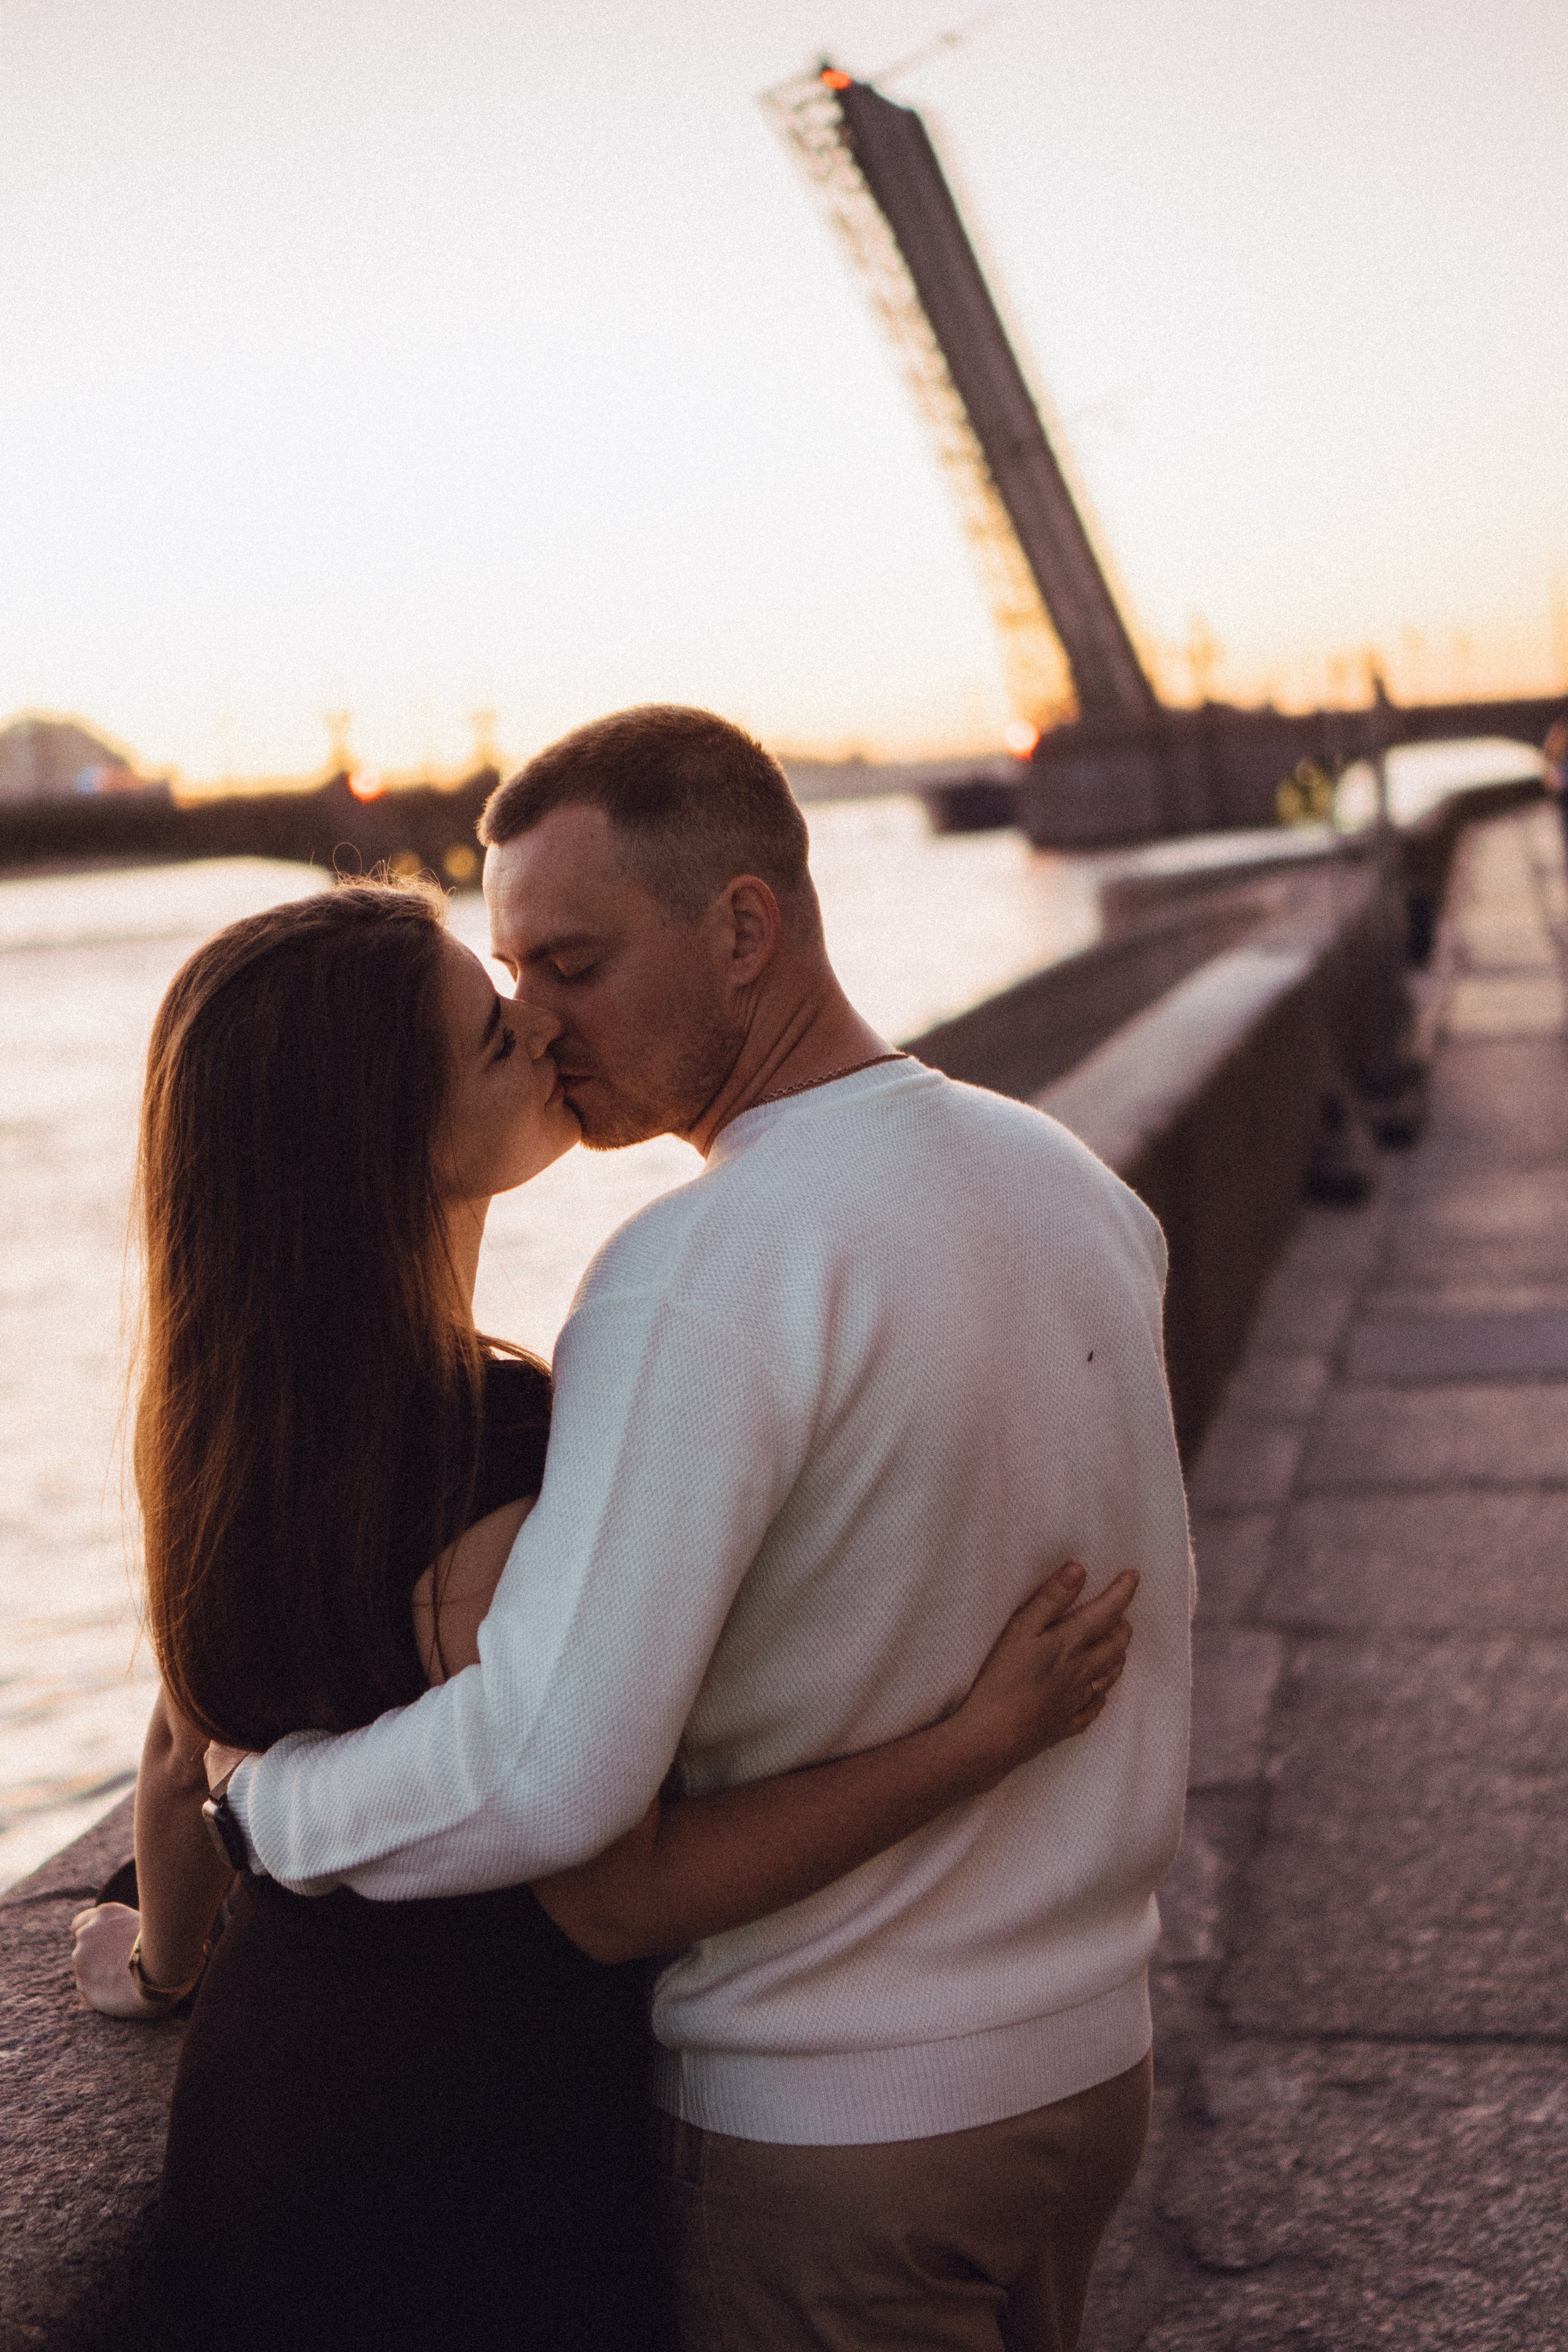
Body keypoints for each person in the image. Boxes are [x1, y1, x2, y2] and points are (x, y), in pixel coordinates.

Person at [70, 873, 1139, 2351]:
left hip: (268, 2110)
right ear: (388, 1137)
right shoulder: (498, 1445)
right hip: (475, 2140)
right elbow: (611, 1879)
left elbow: (178, 1769)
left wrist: (157, 1969)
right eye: (491, 1034)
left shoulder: (223, 1437)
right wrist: (983, 1736)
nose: (539, 1025)